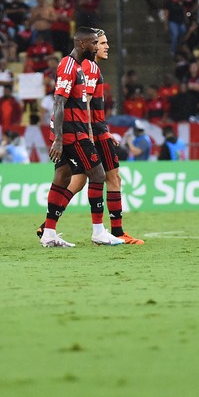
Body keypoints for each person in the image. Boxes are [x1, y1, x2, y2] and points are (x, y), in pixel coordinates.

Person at [38, 28, 118, 247]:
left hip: (71, 132)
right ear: (83, 44)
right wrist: (59, 139)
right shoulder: (68, 66)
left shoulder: (79, 68)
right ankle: (99, 232)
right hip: (73, 133)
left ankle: (48, 233)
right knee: (98, 174)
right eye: (94, 43)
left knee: (62, 178)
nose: (96, 46)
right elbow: (59, 101)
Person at [83, 28, 142, 243]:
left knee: (77, 179)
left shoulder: (89, 67)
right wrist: (94, 132)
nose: (107, 46)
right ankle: (117, 232)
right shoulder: (90, 68)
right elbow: (86, 102)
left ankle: (48, 226)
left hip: (95, 129)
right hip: (94, 131)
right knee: (113, 177)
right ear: (91, 46)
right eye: (102, 43)